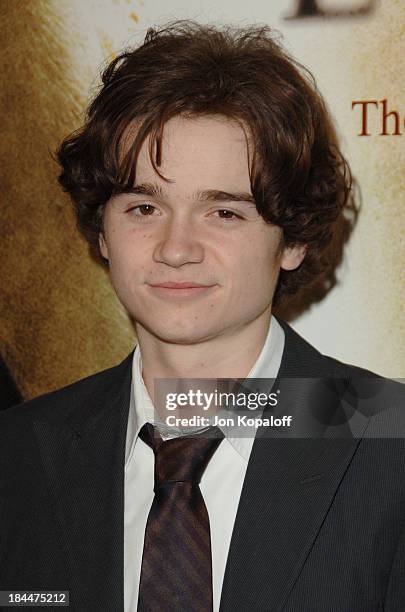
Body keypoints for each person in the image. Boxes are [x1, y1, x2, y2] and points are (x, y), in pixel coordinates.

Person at [1, 21, 404, 612]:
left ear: (290, 239)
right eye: (144, 206)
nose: (175, 247)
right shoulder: (16, 456)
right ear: (103, 230)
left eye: (224, 213)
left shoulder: (390, 440)